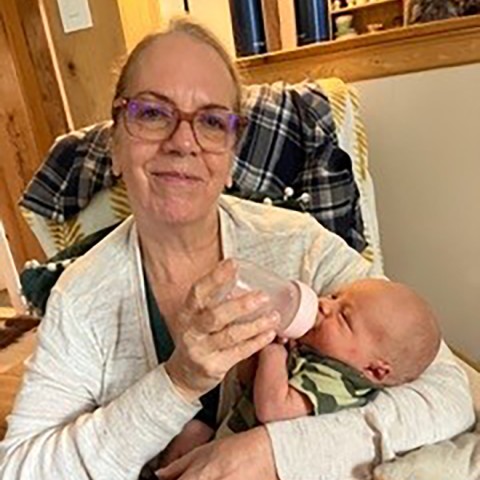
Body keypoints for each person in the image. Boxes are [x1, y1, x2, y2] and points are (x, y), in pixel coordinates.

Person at [0, 18, 474, 480]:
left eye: (210, 121)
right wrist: (176, 383)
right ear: (117, 144)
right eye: (152, 113)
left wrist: (274, 454)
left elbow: (448, 390)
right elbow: (21, 467)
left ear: (231, 156)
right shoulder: (82, 298)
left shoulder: (299, 247)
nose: (183, 141)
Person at [157, 278, 441, 464]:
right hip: (229, 441)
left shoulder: (341, 381)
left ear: (376, 370)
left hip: (261, 466)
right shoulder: (312, 354)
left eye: (344, 316)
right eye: (334, 296)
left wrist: (273, 350)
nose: (324, 305)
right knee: (192, 431)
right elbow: (247, 385)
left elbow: (273, 409)